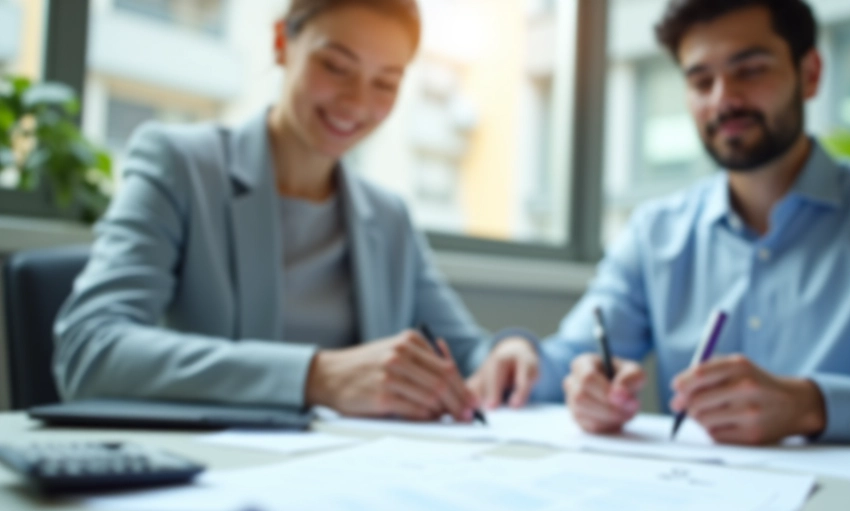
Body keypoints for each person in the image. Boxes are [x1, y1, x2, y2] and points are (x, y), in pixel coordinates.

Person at [473, 0, 850, 454]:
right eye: (700, 80)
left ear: (810, 74)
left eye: (750, 69)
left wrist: (814, 406)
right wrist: (539, 364)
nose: (724, 100)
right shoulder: (654, 233)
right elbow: (568, 360)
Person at [53, 0, 538, 422]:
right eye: (335, 67)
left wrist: (505, 352)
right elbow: (88, 350)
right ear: (282, 42)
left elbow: (467, 351)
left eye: (385, 84)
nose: (356, 102)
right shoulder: (181, 166)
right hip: (210, 473)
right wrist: (315, 376)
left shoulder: (389, 217)